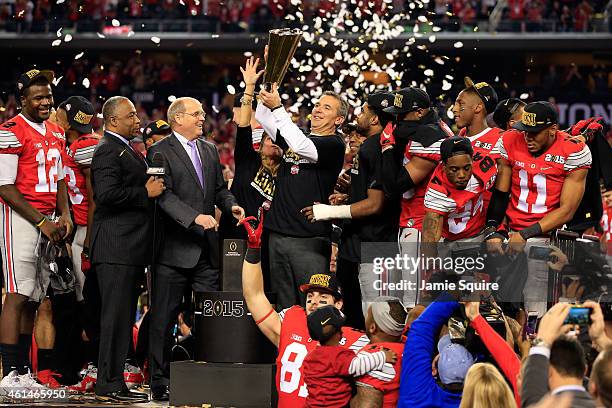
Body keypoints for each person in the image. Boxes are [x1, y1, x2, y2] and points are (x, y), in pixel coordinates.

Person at [147, 96, 244, 401]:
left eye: (202, 114)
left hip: (205, 251)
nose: (204, 118)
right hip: (172, 252)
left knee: (210, 317)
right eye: (197, 114)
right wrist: (194, 218)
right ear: (178, 118)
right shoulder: (158, 152)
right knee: (163, 318)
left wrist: (231, 206)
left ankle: (205, 372)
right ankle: (159, 380)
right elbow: (162, 197)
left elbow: (217, 191)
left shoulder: (209, 149)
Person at [239, 210, 369, 408]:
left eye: (323, 297)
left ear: (339, 304)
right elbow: (254, 295)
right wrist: (254, 249)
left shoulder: (355, 340)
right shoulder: (291, 321)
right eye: (310, 296)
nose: (314, 301)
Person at [0, 69, 72, 391]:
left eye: (49, 96)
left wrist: (65, 213)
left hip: (48, 219)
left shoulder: (56, 131)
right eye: (38, 97)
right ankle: (10, 372)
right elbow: (4, 186)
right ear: (23, 100)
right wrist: (42, 222)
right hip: (21, 218)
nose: (46, 102)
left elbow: (59, 179)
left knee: (34, 297)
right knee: (16, 294)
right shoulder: (10, 130)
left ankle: (25, 372)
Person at [485, 101, 592, 316]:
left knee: (535, 299)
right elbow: (501, 193)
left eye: (534, 133)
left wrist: (525, 234)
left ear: (553, 129)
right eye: (525, 131)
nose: (527, 138)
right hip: (512, 230)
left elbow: (567, 210)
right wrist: (493, 229)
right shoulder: (509, 140)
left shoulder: (573, 150)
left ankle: (537, 340)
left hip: (545, 234)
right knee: (491, 299)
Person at [301, 91, 398, 329]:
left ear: (375, 119)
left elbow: (376, 204)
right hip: (356, 242)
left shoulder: (374, 149)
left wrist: (326, 212)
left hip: (374, 245)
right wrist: (348, 197)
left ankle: (375, 361)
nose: (360, 115)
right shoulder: (375, 148)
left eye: (364, 111)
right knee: (354, 313)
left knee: (374, 317)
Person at [90, 96, 164, 403]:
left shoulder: (124, 149)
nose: (137, 119)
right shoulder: (108, 149)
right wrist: (143, 192)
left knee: (120, 318)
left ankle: (115, 379)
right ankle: (108, 383)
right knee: (115, 318)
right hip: (115, 247)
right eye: (130, 115)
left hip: (127, 247)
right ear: (113, 121)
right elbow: (105, 194)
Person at [255, 84, 347, 310]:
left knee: (315, 307)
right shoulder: (297, 136)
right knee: (285, 309)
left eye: (326, 107)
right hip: (277, 235)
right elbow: (263, 116)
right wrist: (270, 77)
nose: (317, 110)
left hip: (309, 240)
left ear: (338, 120)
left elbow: (301, 146)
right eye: (317, 105)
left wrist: (278, 107)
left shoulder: (334, 144)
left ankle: (317, 346)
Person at [379, 87, 453, 306]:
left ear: (420, 112)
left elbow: (394, 186)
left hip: (422, 223)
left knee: (416, 300)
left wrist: (387, 148)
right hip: (417, 220)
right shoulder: (429, 128)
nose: (397, 120)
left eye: (402, 114)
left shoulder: (429, 138)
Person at [220, 57, 281, 242]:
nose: (271, 142)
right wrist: (251, 86)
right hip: (238, 229)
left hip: (270, 232)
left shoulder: (285, 162)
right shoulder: (248, 154)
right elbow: (245, 125)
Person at [303, 305, 397, 408]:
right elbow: (358, 366)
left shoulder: (310, 357)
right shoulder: (337, 356)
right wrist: (382, 356)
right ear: (337, 333)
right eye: (339, 329)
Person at [398, 294, 475, 408]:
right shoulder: (484, 401)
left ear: (434, 369)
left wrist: (456, 291)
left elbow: (422, 327)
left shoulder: (417, 395)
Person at [422, 136, 497, 247]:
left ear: (473, 161)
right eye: (454, 170)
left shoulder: (485, 166)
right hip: (449, 240)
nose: (462, 175)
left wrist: (495, 227)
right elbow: (429, 239)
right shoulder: (437, 193)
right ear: (443, 166)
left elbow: (501, 195)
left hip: (481, 233)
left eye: (467, 168)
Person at [521, 302, 596, 408]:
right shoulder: (604, 402)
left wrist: (542, 340)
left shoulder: (539, 404)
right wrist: (601, 339)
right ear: (585, 370)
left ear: (548, 371)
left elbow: (533, 391)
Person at [352, 298, 407, 408]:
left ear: (372, 328)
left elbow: (368, 405)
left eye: (367, 315)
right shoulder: (410, 344)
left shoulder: (373, 356)